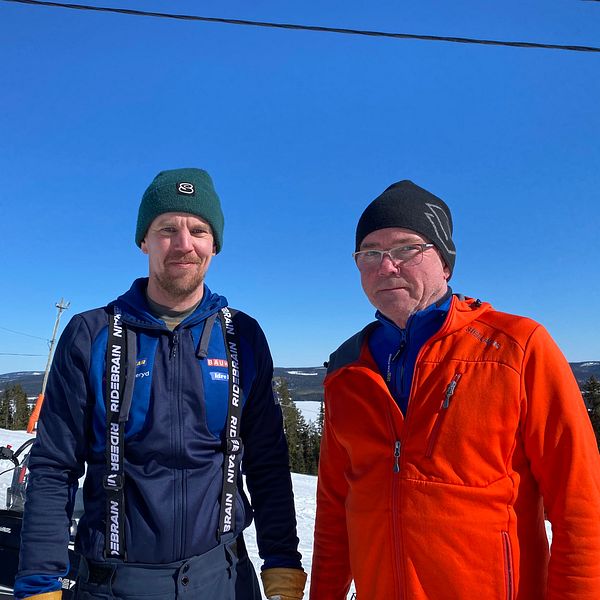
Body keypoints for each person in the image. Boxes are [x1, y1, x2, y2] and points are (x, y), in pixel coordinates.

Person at [15, 168, 307, 600]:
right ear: (144, 241)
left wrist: (282, 563)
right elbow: (54, 466)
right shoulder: (91, 334)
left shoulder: (241, 336)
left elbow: (265, 461)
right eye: (167, 229)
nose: (184, 243)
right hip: (114, 583)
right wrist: (39, 582)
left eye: (198, 230)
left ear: (214, 245)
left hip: (223, 579)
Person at [310, 180, 600, 599]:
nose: (386, 266)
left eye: (406, 248)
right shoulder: (347, 368)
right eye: (370, 253)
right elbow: (335, 511)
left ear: (445, 263)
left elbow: (581, 505)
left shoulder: (517, 347)